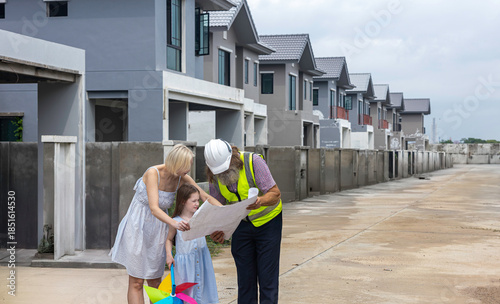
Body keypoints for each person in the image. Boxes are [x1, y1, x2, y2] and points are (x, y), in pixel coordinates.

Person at [109, 144, 222, 304]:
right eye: (187, 166)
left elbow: (204, 196)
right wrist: (175, 224)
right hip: (138, 226)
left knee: (155, 282)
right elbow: (154, 208)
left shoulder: (181, 178)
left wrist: (227, 213)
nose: (189, 170)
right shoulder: (152, 173)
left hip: (159, 229)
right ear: (178, 163)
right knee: (137, 281)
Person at [204, 139, 282, 304]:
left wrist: (260, 201)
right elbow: (217, 207)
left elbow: (275, 193)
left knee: (267, 277)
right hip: (240, 225)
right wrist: (217, 230)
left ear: (232, 158)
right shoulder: (214, 176)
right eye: (219, 171)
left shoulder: (254, 162)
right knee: (245, 279)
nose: (222, 173)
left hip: (268, 223)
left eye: (225, 169)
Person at [166, 184, 219, 304]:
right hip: (185, 266)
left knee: (204, 293)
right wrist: (169, 255)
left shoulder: (200, 218)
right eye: (194, 201)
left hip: (202, 259)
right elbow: (169, 239)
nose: (197, 203)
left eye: (198, 200)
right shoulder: (176, 222)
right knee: (187, 296)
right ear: (183, 201)